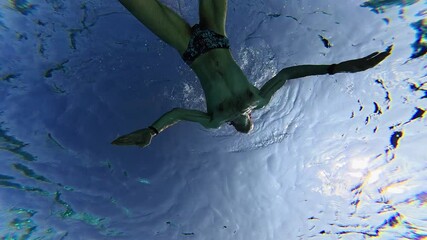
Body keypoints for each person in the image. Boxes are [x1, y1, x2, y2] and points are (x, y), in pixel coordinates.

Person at [112, 0, 392, 148]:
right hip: (217, 38)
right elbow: (287, 73)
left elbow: (177, 114)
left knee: (135, 3)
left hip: (190, 49)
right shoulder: (258, 100)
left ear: (234, 126)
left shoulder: (214, 120)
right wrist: (337, 67)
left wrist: (152, 131)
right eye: (248, 125)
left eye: (241, 128)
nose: (243, 125)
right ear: (250, 118)